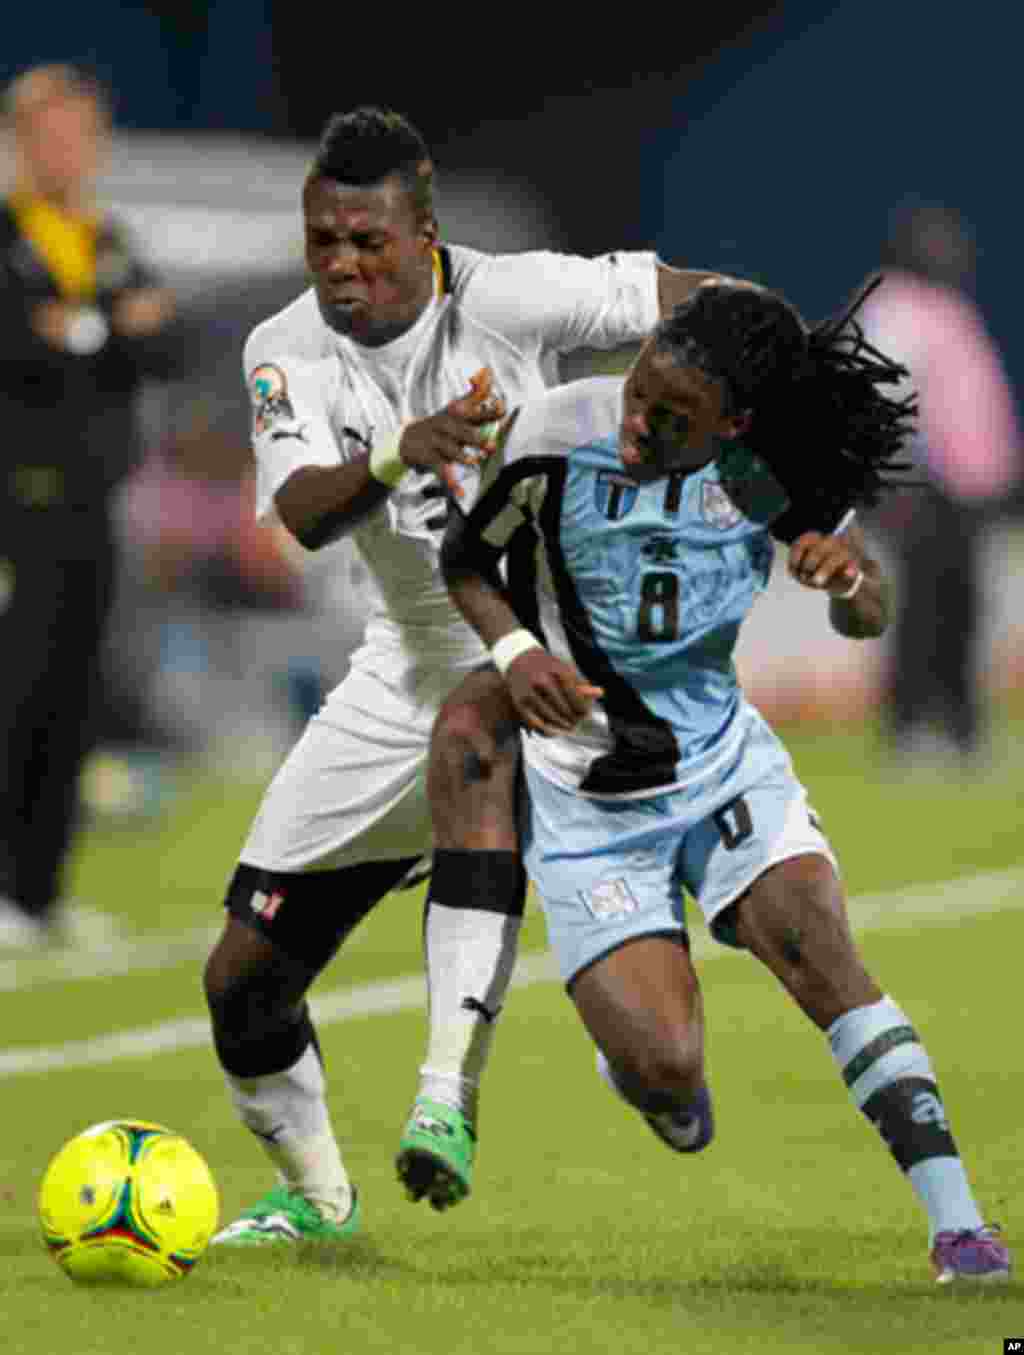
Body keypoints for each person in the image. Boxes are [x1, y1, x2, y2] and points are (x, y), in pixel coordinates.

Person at [202, 104, 739, 1245]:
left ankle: (583, 1071)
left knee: (659, 1066)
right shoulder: (282, 349)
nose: (342, 266)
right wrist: (405, 445)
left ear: (424, 229)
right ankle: (317, 1195)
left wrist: (765, 364)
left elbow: (695, 302)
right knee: (241, 980)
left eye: (368, 242)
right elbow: (301, 515)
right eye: (322, 242)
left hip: (553, 668)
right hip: (401, 676)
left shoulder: (511, 294)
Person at [435, 279, 1011, 1284]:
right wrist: (520, 649)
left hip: (719, 767)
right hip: (586, 799)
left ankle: (958, 1226)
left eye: (672, 419)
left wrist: (850, 582)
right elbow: (466, 559)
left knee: (825, 954)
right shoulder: (552, 432)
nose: (638, 423)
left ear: (732, 425)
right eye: (640, 393)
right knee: (668, 1074)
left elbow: (867, 603)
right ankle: (645, 1067)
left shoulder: (760, 473)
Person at [0, 65, 186, 946]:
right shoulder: (9, 236)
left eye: (80, 135)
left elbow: (170, 341)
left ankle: (40, 889)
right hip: (12, 501)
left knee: (74, 695)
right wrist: (112, 326)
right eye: (48, 135)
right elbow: (21, 353)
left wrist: (82, 329)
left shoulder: (102, 237)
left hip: (91, 499)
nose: (66, 152)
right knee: (13, 685)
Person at [859, 204, 1020, 771]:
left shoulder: (951, 310)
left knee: (964, 609)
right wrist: (899, 479)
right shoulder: (896, 306)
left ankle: (961, 726)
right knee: (925, 610)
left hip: (969, 490)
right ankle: (912, 729)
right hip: (922, 487)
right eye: (935, 243)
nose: (949, 253)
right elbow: (884, 397)